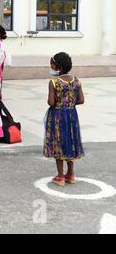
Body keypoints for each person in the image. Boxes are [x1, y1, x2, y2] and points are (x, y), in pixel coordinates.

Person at [44, 52, 84, 186]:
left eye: (52, 65)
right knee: (70, 142)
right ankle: (71, 174)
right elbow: (81, 100)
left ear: (58, 67)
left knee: (58, 143)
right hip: (72, 115)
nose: (51, 67)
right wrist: (70, 104)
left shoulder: (54, 82)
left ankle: (60, 176)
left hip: (58, 116)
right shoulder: (77, 80)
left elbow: (51, 102)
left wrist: (60, 103)